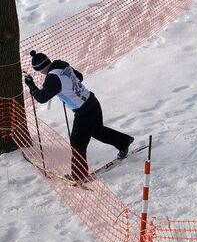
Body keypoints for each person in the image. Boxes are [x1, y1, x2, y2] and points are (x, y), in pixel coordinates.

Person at [24, 50, 134, 182]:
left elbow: (42, 98)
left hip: (84, 112)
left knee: (77, 144)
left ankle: (78, 176)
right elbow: (79, 77)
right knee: (97, 131)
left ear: (40, 70)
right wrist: (66, 89)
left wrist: (31, 85)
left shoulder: (52, 78)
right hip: (92, 101)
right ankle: (123, 142)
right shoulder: (61, 64)